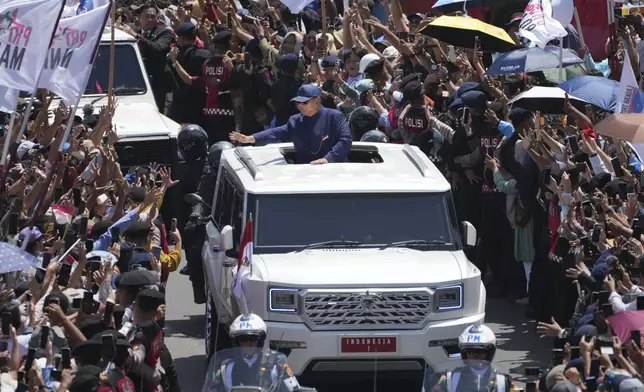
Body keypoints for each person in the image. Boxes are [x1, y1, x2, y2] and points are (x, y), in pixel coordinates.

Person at [229, 84, 352, 164]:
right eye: (298, 103)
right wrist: (251, 138)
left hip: (332, 171)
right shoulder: (295, 121)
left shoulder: (334, 116)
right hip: (303, 173)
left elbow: (345, 140)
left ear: (317, 100)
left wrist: (328, 159)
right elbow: (275, 133)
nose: (300, 106)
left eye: (304, 103)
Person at [181, 141, 233, 308]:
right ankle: (195, 275)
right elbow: (200, 199)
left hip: (236, 223)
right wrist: (197, 213)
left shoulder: (241, 177)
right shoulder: (209, 178)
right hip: (214, 222)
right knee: (191, 233)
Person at [212, 313, 301, 392]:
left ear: (260, 341)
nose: (248, 344)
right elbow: (212, 389)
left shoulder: (277, 366)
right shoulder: (226, 368)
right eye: (244, 340)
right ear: (236, 342)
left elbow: (294, 389)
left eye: (252, 339)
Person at [422, 324, 512, 392]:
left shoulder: (502, 381)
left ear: (489, 353)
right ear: (464, 353)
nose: (475, 355)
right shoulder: (450, 378)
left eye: (480, 351)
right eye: (471, 352)